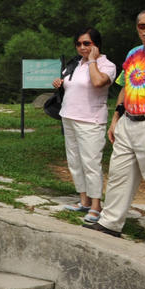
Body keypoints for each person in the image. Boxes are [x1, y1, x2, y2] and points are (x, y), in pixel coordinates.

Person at [88, 8, 145, 246]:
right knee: (119, 174)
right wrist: (116, 117)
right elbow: (126, 86)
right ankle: (110, 222)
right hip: (129, 119)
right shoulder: (134, 53)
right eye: (142, 26)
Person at [54, 28, 115, 222]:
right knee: (75, 161)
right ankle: (84, 200)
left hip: (91, 120)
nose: (82, 47)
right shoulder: (75, 63)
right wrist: (60, 83)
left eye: (87, 43)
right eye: (79, 44)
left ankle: (96, 205)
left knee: (91, 163)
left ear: (97, 44)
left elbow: (97, 82)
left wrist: (93, 61)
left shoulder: (107, 65)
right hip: (69, 116)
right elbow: (71, 85)